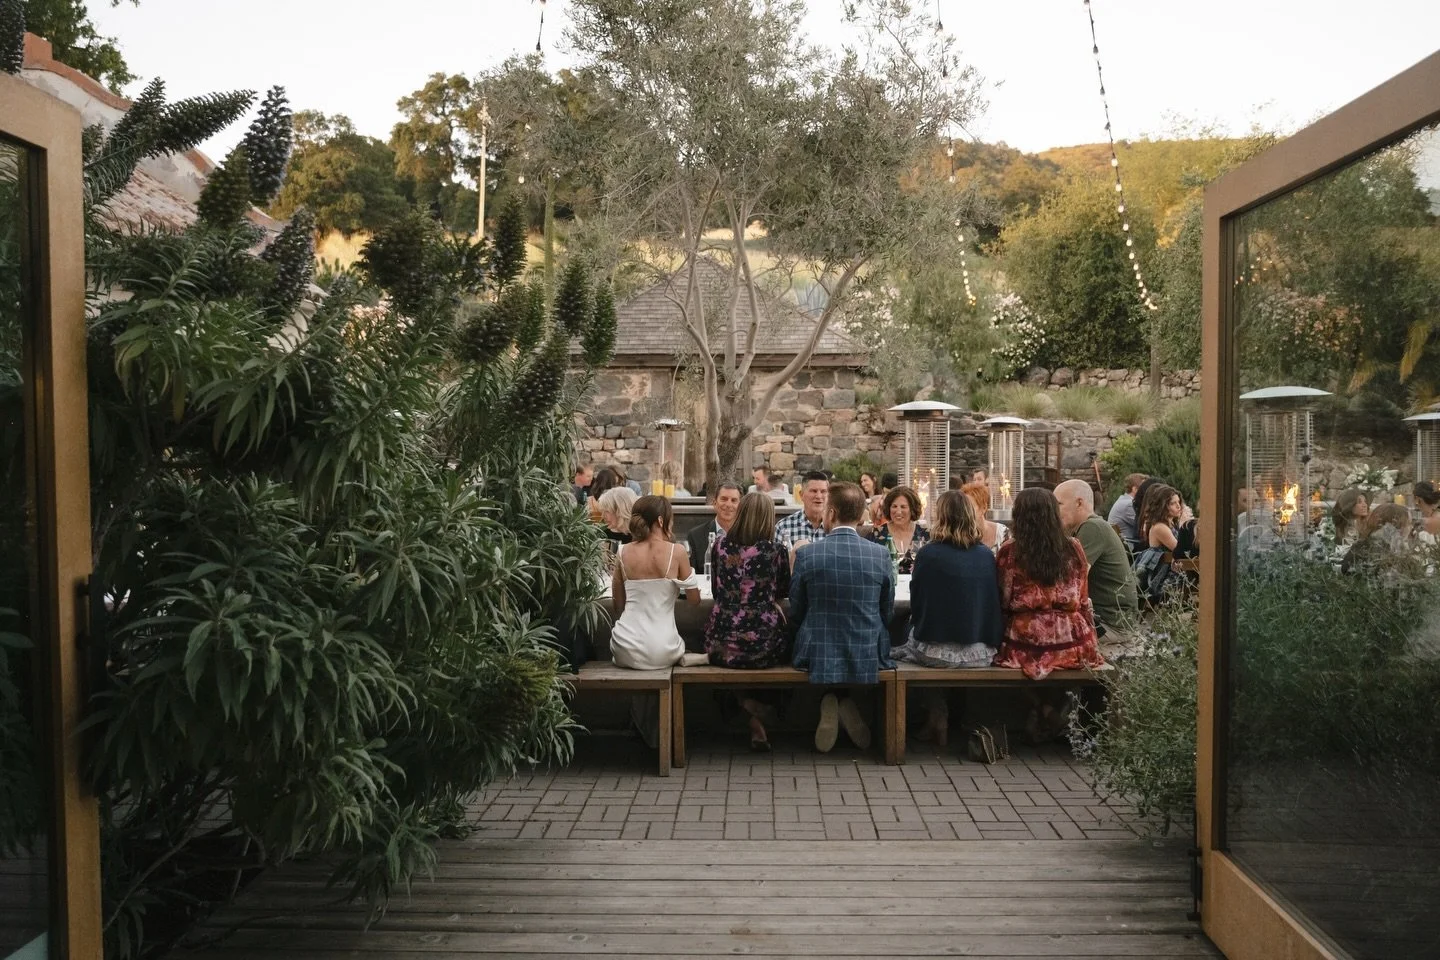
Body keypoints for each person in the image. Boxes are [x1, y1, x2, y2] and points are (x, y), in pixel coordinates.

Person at [790, 481, 894, 753]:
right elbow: (887, 610)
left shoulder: (808, 554)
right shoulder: (880, 554)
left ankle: (831, 701)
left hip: (816, 650)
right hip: (868, 649)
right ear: (861, 516)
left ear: (831, 513)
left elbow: (797, 609)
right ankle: (843, 703)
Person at [892, 491, 1004, 744]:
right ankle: (963, 716)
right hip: (981, 653)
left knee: (904, 631)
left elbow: (917, 605)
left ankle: (936, 712)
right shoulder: (985, 555)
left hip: (935, 654)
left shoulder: (929, 554)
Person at [705, 493, 793, 750]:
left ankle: (742, 705)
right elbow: (783, 591)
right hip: (763, 645)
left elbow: (715, 590)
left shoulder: (720, 546)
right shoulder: (776, 551)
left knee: (726, 656)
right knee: (786, 648)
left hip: (721, 642)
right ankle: (757, 713)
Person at [993, 488, 1104, 682]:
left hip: (1025, 639)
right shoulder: (1073, 547)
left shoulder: (1010, 550)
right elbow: (1082, 598)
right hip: (1071, 639)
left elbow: (1003, 599)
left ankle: (1041, 708)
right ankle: (1051, 709)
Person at [610, 496, 701, 671]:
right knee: (681, 647)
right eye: (671, 518)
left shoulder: (622, 552)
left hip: (624, 646)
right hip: (662, 649)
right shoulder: (677, 551)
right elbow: (694, 600)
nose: (672, 523)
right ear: (661, 520)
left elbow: (618, 605)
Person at [1055, 480, 1140, 658]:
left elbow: (1068, 580)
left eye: (1059, 504)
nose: (1055, 511)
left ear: (1079, 503)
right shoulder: (1082, 529)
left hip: (1111, 626)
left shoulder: (1092, 527)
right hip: (1109, 620)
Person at [1132, 483, 1182, 603]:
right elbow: (1179, 549)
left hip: (1172, 569)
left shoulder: (1170, 524)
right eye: (1173, 503)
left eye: (1178, 502)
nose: (1178, 506)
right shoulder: (1160, 527)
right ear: (1163, 506)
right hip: (1162, 577)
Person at [869, 486, 930, 575]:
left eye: (903, 507)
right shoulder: (876, 533)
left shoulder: (925, 534)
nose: (898, 511)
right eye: (894, 506)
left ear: (912, 509)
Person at [687, 481, 742, 572]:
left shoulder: (748, 536)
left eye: (734, 500)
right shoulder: (696, 536)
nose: (728, 505)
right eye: (724, 499)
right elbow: (692, 575)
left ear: (740, 506)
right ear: (714, 503)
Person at [776, 471, 830, 551]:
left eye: (823, 491)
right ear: (801, 495)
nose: (819, 496)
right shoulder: (783, 527)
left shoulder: (836, 527)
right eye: (813, 491)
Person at [961, 481, 1009, 552]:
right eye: (962, 507)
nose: (964, 511)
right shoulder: (959, 534)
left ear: (983, 508)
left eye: (969, 507)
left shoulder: (1002, 533)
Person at [1107, 473, 1147, 549]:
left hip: (1124, 544)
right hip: (1129, 547)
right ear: (1135, 489)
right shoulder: (1129, 504)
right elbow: (1143, 527)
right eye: (1144, 489)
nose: (1147, 492)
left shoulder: (1123, 500)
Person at [1331, 487, 1370, 552]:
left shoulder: (1368, 526)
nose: (1364, 505)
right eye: (1359, 502)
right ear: (1350, 505)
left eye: (1365, 502)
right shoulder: (1338, 527)